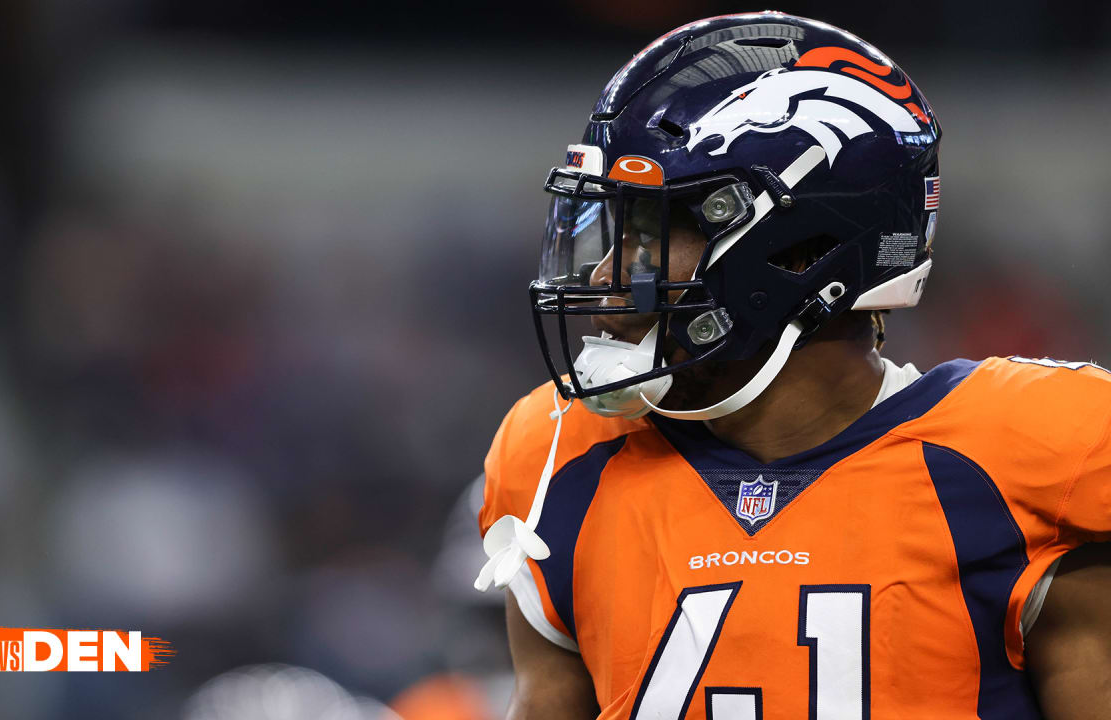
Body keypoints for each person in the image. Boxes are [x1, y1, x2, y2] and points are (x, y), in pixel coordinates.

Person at [472, 12, 1111, 720]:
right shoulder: (556, 456)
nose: (604, 275)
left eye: (650, 235)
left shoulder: (1037, 457)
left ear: (800, 250)